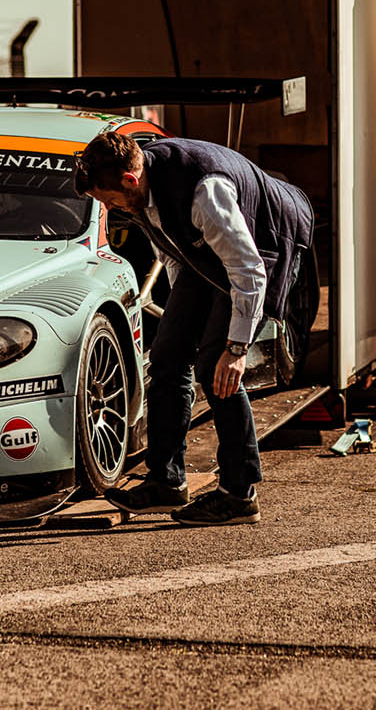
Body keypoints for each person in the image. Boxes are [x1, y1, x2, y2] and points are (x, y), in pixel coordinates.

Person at [75, 130, 313, 526]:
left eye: (107, 198)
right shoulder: (143, 189)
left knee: (215, 370)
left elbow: (248, 270)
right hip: (208, 256)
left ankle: (239, 493)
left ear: (130, 180)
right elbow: (174, 254)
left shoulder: (204, 191)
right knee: (168, 354)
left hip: (265, 244)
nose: (107, 207)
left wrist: (236, 350)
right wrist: (179, 320)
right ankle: (166, 481)